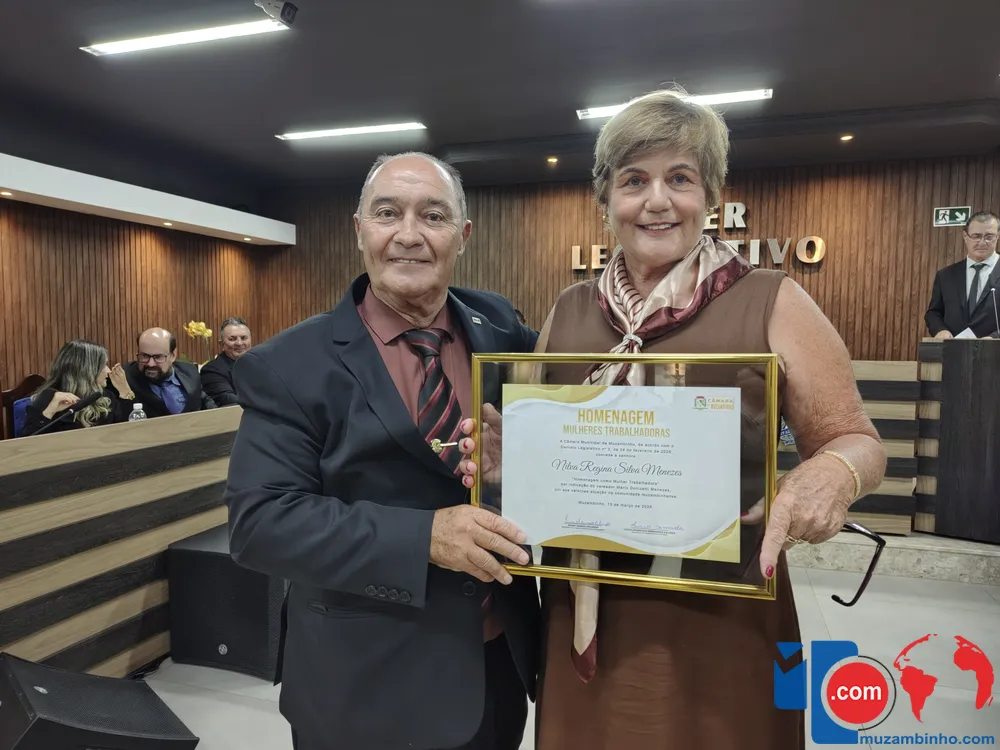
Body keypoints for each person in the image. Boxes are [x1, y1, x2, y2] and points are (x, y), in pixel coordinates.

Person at [459, 90, 888, 750]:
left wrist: (833, 474)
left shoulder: (773, 299)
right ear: (605, 201)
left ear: (710, 194)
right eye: (634, 180)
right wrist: (506, 468)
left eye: (680, 178)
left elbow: (857, 439)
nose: (656, 201)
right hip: (588, 610)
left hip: (724, 616)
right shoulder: (570, 309)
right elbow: (555, 460)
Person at [223, 152, 540, 750]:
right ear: (359, 229)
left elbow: (563, 423)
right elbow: (260, 524)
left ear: (463, 235)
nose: (409, 235)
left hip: (496, 666)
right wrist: (425, 538)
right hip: (363, 685)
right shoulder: (288, 364)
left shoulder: (500, 326)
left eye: (434, 216)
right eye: (388, 213)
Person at [22, 339, 135, 436]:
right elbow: (26, 443)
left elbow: (130, 432)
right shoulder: (49, 398)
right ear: (87, 370)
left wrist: (126, 392)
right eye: (103, 365)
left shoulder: (105, 397)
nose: (108, 371)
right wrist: (50, 411)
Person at [925, 211, 1000, 339]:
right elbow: (934, 313)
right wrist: (940, 330)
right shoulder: (945, 276)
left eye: (989, 237)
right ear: (965, 236)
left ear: (997, 236)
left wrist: (995, 338)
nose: (982, 242)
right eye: (976, 236)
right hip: (953, 348)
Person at [124, 327, 217, 417]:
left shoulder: (189, 371)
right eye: (144, 356)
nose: (150, 364)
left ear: (173, 355)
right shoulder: (125, 377)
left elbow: (203, 400)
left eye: (158, 357)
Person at [200, 317, 252, 406]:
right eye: (232, 339)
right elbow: (228, 399)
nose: (239, 343)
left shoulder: (261, 364)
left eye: (244, 338)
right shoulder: (212, 370)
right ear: (222, 345)